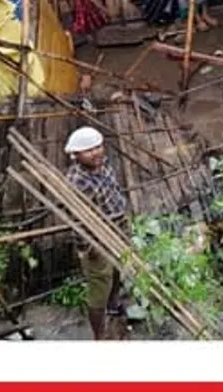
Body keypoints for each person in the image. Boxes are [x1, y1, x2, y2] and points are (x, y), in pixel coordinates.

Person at [65, 126, 128, 340]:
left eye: (98, 147)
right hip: (97, 239)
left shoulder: (104, 164)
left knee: (118, 268)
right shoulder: (77, 181)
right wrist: (87, 248)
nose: (96, 152)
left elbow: (114, 190)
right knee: (100, 285)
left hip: (118, 226)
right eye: (88, 150)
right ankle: (99, 335)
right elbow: (77, 221)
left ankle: (114, 305)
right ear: (76, 155)